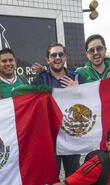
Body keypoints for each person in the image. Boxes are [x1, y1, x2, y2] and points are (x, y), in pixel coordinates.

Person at [0, 48, 36, 185]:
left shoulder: (24, 80)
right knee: (5, 170)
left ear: (15, 62)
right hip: (4, 134)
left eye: (10, 60)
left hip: (24, 132)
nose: (8, 63)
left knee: (26, 169)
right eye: (4, 61)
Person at [31, 43, 80, 178]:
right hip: (50, 138)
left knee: (73, 176)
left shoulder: (76, 77)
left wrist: (79, 89)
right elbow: (30, 105)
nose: (57, 57)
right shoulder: (40, 80)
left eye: (61, 54)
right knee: (51, 176)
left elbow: (91, 100)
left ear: (65, 58)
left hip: (71, 134)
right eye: (53, 55)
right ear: (48, 60)